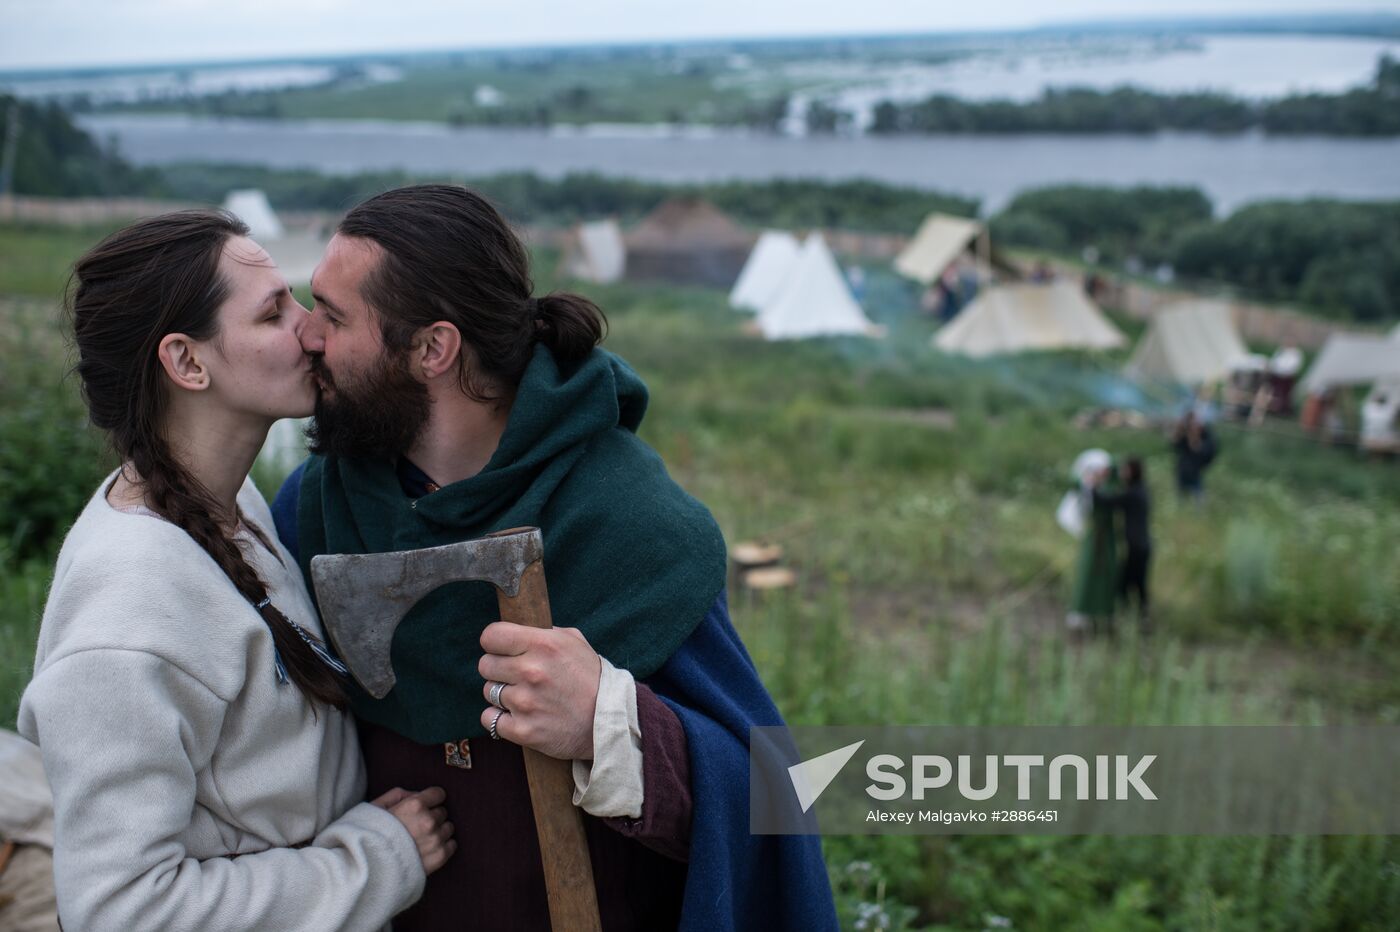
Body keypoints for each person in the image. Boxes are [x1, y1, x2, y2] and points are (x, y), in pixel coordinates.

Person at [272, 184, 836, 930]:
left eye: (334, 316)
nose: (307, 336)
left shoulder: (627, 523)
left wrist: (614, 724)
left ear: (433, 349)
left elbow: (767, 790)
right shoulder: (316, 508)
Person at [17, 210, 454, 931]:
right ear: (187, 363)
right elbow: (120, 912)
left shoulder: (231, 507)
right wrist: (377, 860)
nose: (311, 330)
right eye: (273, 313)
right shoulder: (125, 618)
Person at [1094, 457, 1152, 633]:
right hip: (1142, 546)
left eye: (1125, 470)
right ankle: (1139, 620)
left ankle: (1127, 620)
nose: (1122, 473)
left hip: (1137, 547)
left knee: (1126, 585)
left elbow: (1106, 501)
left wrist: (1094, 485)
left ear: (1133, 471)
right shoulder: (1139, 490)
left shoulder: (1133, 493)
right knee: (1137, 585)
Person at [1067, 457, 1119, 637]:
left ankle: (1105, 613)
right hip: (1094, 537)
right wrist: (1087, 482)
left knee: (1107, 575)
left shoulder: (1111, 488)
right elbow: (1074, 484)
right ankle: (1082, 613)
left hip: (1107, 538)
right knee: (1087, 573)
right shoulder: (1088, 487)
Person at [1172, 409, 1217, 501]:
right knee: (1181, 498)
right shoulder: (1185, 433)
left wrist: (1194, 437)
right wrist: (1179, 430)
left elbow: (1201, 450)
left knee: (1198, 497)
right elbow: (1175, 445)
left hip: (1195, 471)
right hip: (1183, 470)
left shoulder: (1206, 435)